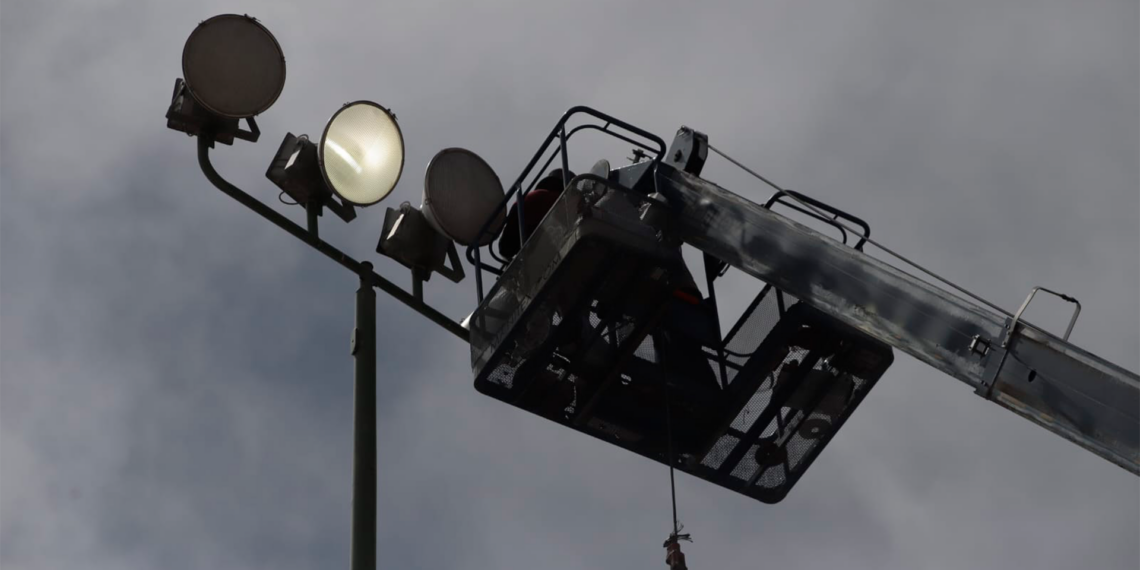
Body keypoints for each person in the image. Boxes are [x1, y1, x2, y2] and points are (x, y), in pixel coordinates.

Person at [497, 168, 575, 259]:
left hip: (533, 253)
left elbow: (505, 248)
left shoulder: (527, 198)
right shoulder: (567, 202)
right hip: (557, 249)